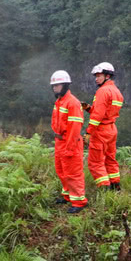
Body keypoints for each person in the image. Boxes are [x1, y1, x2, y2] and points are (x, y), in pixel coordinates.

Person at [50, 70, 88, 214]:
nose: (55, 88)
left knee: (73, 172)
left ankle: (79, 202)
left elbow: (74, 128)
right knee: (61, 170)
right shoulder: (59, 101)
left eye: (57, 85)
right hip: (60, 141)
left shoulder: (72, 103)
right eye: (53, 86)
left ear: (65, 85)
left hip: (70, 141)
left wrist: (70, 148)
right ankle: (68, 196)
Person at [83, 62, 123, 190]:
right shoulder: (116, 92)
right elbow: (106, 112)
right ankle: (115, 186)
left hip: (101, 131)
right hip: (111, 129)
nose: (96, 78)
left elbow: (98, 116)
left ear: (107, 76)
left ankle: (104, 190)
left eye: (98, 75)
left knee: (95, 162)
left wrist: (88, 132)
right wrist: (89, 108)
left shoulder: (102, 91)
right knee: (110, 159)